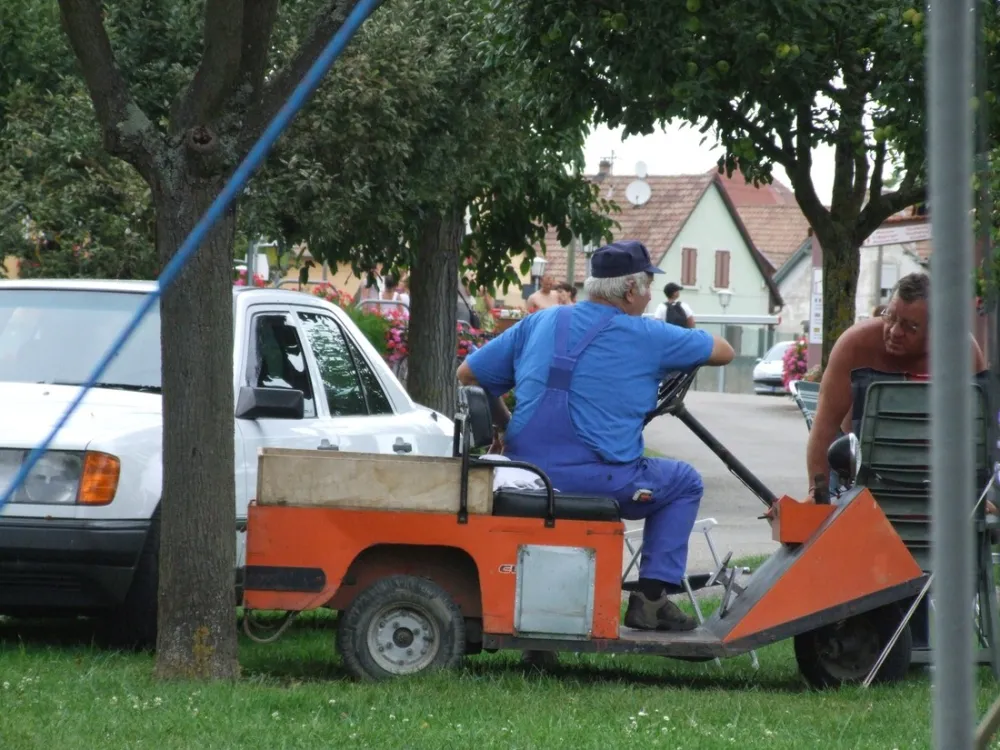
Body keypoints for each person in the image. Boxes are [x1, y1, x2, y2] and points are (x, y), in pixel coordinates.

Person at [457, 239, 735, 632]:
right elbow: (724, 351)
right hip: (599, 477)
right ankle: (652, 601)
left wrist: (503, 425)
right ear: (629, 291)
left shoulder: (542, 320)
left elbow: (469, 375)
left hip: (525, 470)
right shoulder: (648, 334)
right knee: (684, 482)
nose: (650, 294)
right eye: (647, 286)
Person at [805, 272, 987, 501]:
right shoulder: (855, 345)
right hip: (855, 460)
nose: (894, 332)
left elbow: (980, 436)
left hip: (936, 467)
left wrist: (982, 497)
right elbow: (824, 428)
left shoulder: (962, 353)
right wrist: (816, 493)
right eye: (890, 317)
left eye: (910, 326)